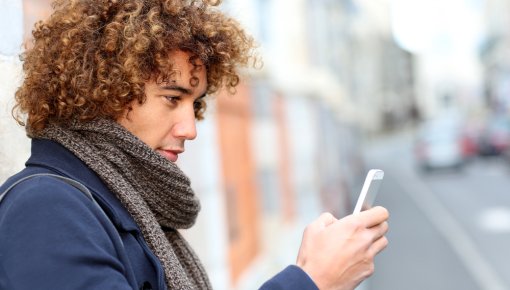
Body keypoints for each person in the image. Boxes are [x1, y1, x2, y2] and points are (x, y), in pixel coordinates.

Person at [0, 0, 389, 289]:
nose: (190, 128)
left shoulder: (124, 204)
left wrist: (307, 270)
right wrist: (310, 281)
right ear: (103, 91)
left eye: (196, 103)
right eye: (173, 97)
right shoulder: (46, 208)